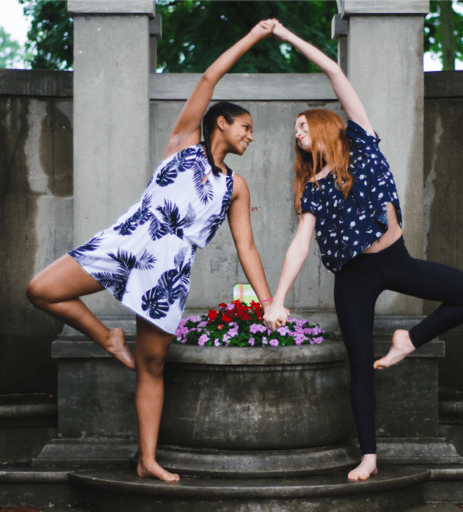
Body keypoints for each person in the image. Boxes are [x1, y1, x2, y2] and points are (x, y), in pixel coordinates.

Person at [27, 20, 279, 482]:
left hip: (170, 265)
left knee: (153, 363)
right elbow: (208, 79)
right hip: (132, 236)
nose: (250, 135)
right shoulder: (183, 142)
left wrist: (268, 302)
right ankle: (107, 338)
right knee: (42, 289)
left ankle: (147, 459)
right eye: (245, 126)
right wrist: (254, 37)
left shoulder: (235, 186)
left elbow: (246, 245)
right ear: (220, 122)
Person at [263, 21, 463, 482]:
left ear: (326, 126)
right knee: (359, 366)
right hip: (353, 277)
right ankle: (369, 455)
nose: (297, 134)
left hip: (395, 260)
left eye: (302, 125)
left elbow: (333, 71)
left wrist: (288, 38)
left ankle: (409, 339)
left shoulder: (361, 142)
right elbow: (300, 244)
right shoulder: (313, 188)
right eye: (294, 130)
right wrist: (277, 298)